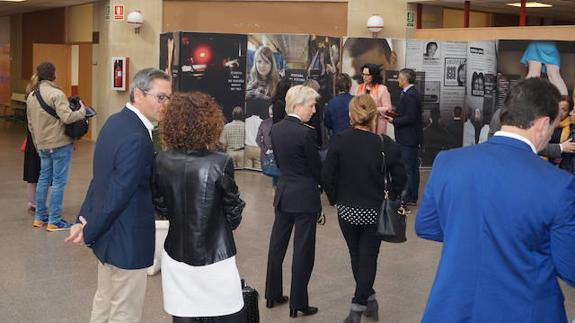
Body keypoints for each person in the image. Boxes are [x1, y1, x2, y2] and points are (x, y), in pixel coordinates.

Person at [416, 78, 575, 323]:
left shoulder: (447, 162)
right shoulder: (559, 185)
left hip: (452, 309)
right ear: (544, 124)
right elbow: (570, 267)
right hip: (524, 312)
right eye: (553, 126)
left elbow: (427, 226)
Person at [66, 68, 171, 323]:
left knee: (104, 303)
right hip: (127, 242)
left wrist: (84, 220)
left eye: (169, 98)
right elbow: (117, 194)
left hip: (109, 238)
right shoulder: (137, 136)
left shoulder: (115, 122)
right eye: (161, 97)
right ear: (138, 94)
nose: (166, 105)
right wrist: (89, 230)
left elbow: (101, 180)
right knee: (124, 312)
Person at [153, 92, 246, 323]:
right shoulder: (220, 162)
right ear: (210, 122)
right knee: (227, 314)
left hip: (176, 256)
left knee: (183, 315)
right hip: (216, 257)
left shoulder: (161, 161)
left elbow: (160, 205)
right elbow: (233, 214)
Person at [322, 95, 406, 323]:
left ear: (351, 116)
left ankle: (361, 305)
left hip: (347, 210)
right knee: (368, 257)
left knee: (356, 256)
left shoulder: (339, 140)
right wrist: (393, 197)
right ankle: (365, 301)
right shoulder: (385, 144)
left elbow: (327, 176)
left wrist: (335, 200)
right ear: (373, 117)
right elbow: (401, 178)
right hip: (375, 211)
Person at [265, 85, 321, 318]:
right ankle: (298, 302)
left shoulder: (276, 129)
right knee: (303, 249)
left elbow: (278, 162)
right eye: (311, 105)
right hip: (304, 195)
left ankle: (272, 294)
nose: (314, 110)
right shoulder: (306, 133)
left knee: (277, 246)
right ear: (299, 104)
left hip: (284, 192)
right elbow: (316, 168)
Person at [26, 62, 86, 231]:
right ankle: (54, 220)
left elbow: (30, 124)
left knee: (43, 179)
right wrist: (82, 111)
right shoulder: (56, 94)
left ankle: (40, 217)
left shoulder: (31, 96)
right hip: (59, 144)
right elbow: (67, 118)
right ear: (53, 75)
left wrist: (38, 144)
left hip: (43, 145)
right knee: (58, 182)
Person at [385, 68, 422, 207]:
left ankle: (407, 197)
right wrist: (395, 115)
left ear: (405, 79)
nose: (398, 80)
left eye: (399, 78)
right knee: (412, 168)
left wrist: (394, 120)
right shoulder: (408, 93)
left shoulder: (411, 95)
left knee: (408, 168)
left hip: (408, 138)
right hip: (408, 137)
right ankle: (411, 196)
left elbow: (411, 117)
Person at [23, 74, 41, 213]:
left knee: (31, 171)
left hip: (30, 137)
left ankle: (31, 201)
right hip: (38, 137)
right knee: (40, 171)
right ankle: (36, 202)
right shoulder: (37, 97)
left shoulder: (29, 95)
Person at [356, 64, 392, 136]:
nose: (364, 77)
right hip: (362, 123)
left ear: (374, 76)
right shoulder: (360, 87)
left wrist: (374, 109)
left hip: (377, 124)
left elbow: (388, 108)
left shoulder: (382, 89)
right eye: (363, 74)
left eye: (367, 75)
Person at [257, 106, 278, 185]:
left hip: (266, 156)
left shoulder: (263, 123)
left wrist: (265, 149)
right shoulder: (282, 123)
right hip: (279, 155)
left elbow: (258, 139)